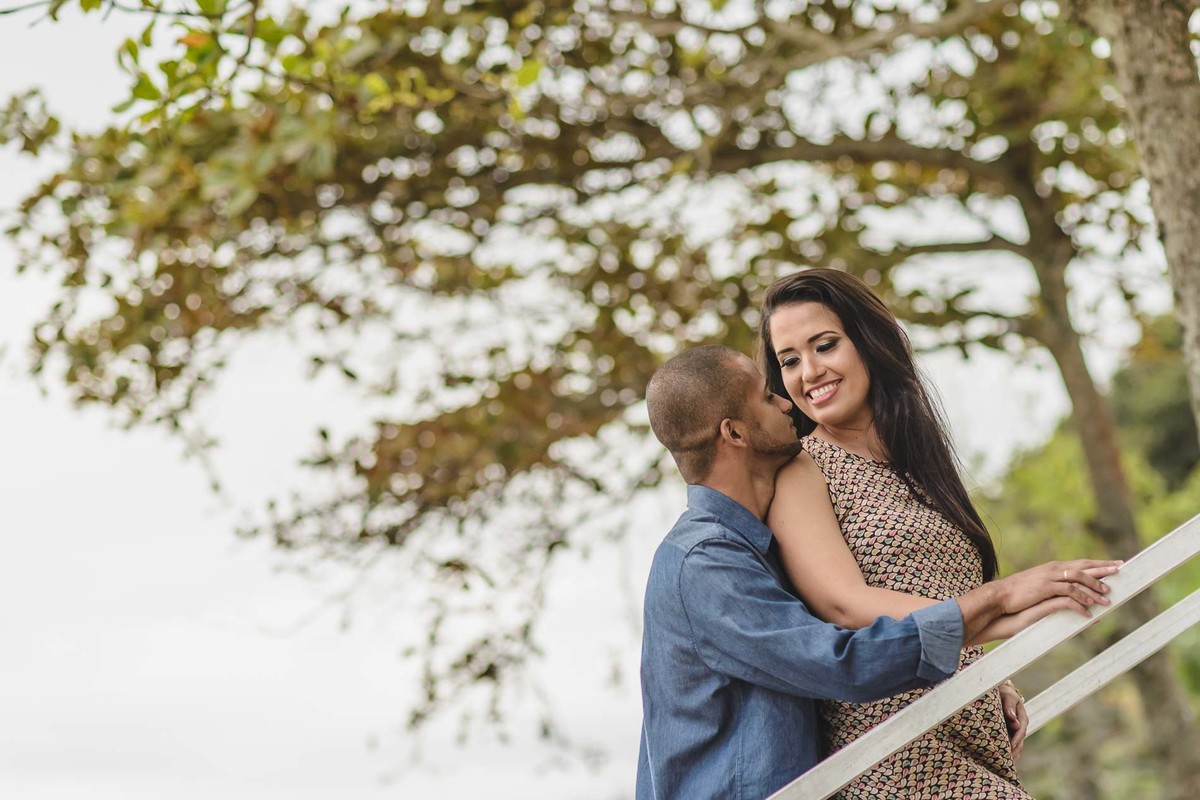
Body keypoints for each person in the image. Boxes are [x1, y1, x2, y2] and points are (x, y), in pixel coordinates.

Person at [636, 344, 1119, 800]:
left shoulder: (755, 546)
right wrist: (998, 597)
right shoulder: (703, 563)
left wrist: (984, 664)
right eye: (766, 396)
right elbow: (839, 662)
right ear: (734, 433)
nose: (785, 403)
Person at [758, 268, 1071, 798]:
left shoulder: (918, 464)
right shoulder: (802, 472)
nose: (808, 372)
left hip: (971, 730)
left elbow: (934, 591)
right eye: (789, 360)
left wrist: (993, 675)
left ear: (869, 342)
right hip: (894, 751)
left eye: (825, 345)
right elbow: (844, 605)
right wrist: (997, 606)